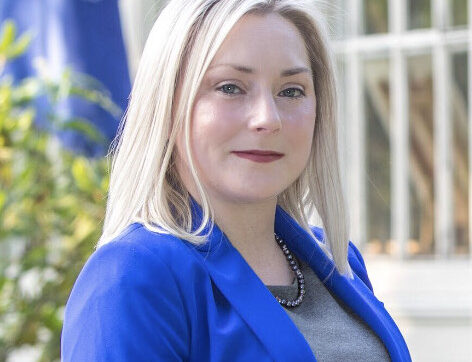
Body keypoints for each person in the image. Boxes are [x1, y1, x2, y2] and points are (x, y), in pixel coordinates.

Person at [61, 0, 411, 361]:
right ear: (167, 105)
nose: (267, 118)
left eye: (291, 90)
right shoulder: (132, 277)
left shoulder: (338, 260)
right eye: (230, 87)